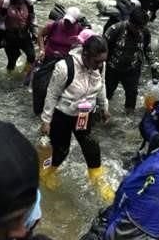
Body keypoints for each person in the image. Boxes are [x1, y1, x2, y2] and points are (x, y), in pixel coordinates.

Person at [39, 33, 113, 200]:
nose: (100, 65)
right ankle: (46, 172)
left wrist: (104, 107)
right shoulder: (64, 67)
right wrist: (46, 121)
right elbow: (51, 95)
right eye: (97, 61)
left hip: (84, 114)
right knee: (61, 151)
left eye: (103, 61)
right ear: (85, 54)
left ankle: (98, 181)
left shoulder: (100, 66)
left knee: (92, 148)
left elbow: (102, 85)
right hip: (62, 116)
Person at [104, 7, 157, 112]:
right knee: (107, 94)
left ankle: (128, 121)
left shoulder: (145, 32)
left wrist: (154, 67)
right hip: (112, 68)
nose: (140, 30)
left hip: (132, 68)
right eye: (137, 27)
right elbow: (102, 49)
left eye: (142, 27)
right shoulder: (115, 29)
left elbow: (147, 50)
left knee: (132, 96)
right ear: (130, 22)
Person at [0, 0, 36, 73]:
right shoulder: (2, 2)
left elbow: (32, 17)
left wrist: (34, 32)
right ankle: (9, 79)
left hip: (24, 34)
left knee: (32, 56)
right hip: (9, 36)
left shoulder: (28, 3)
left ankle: (25, 76)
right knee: (12, 60)